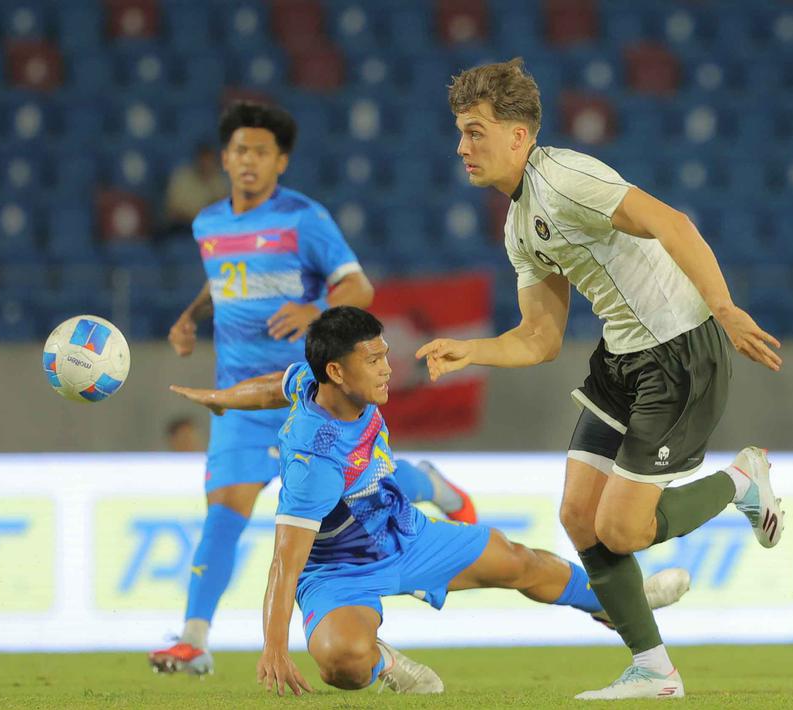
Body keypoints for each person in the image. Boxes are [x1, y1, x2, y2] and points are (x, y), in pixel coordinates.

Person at [414, 59, 786, 699]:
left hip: (679, 352)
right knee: (579, 515)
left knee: (622, 531)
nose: (462, 146)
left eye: (475, 131)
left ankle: (740, 481)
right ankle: (654, 670)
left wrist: (724, 309)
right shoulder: (517, 223)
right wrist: (471, 351)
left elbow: (674, 224)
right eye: (460, 131)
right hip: (622, 359)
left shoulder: (564, 178)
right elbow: (541, 338)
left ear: (519, 135)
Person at [169, 306, 690, 696]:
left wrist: (222, 398)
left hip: (405, 533)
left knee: (518, 561)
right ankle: (387, 664)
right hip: (338, 570)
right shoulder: (313, 460)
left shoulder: (314, 379)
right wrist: (275, 647)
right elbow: (286, 560)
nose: (387, 370)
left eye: (384, 356)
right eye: (373, 360)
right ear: (337, 372)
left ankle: (617, 603)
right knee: (341, 665)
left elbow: (273, 386)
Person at [150, 102, 477, 676]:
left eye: (261, 152)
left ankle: (426, 479)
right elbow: (223, 280)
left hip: (311, 399)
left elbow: (360, 286)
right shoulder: (208, 225)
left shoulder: (304, 218)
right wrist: (190, 316)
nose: (248, 161)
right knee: (223, 514)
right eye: (240, 150)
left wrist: (315, 308)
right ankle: (195, 639)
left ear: (281, 161)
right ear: (224, 158)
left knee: (362, 495)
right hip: (243, 399)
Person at [162, 142, 229, 234]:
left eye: (210, 162)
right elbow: (172, 211)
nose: (206, 165)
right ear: (197, 160)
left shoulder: (219, 182)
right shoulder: (182, 177)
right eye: (204, 161)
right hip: (182, 228)